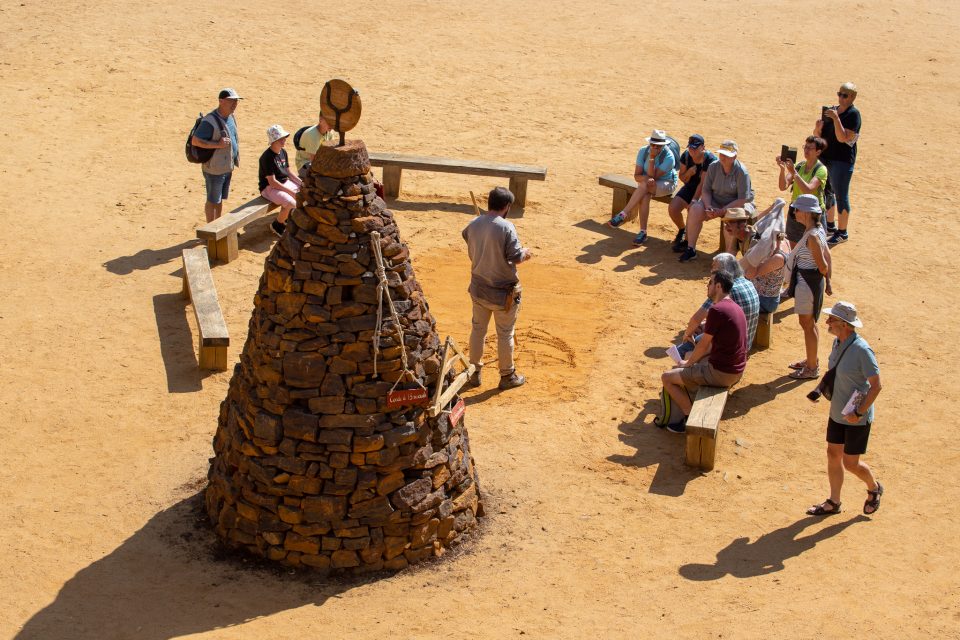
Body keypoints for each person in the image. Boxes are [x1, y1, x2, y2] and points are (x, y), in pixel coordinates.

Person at [806, 301, 883, 516]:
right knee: (833, 454)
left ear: (846, 325)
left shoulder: (863, 351)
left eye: (832, 319)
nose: (828, 322)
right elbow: (834, 372)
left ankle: (874, 488)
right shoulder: (837, 343)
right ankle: (834, 501)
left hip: (856, 417)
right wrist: (819, 390)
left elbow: (876, 385)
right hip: (838, 412)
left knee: (851, 463)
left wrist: (858, 412)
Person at [462, 187, 532, 391]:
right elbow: (516, 257)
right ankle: (507, 375)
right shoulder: (506, 227)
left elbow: (467, 237)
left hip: (478, 288)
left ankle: (473, 372)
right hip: (503, 293)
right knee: (505, 334)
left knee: (478, 329)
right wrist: (526, 253)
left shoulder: (474, 223)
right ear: (507, 206)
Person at [660, 270, 747, 434]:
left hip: (721, 373)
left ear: (719, 286)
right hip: (736, 370)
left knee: (667, 377)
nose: (707, 286)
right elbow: (712, 344)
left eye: (710, 282)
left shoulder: (717, 310)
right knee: (689, 359)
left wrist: (689, 363)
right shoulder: (735, 307)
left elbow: (703, 345)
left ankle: (688, 417)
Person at [681, 140, 756, 262]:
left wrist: (722, 211)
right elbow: (706, 191)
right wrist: (708, 206)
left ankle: (728, 257)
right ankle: (691, 249)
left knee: (732, 219)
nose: (723, 158)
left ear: (734, 157)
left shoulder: (742, 171)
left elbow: (742, 199)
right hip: (715, 201)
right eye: (722, 154)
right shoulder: (713, 166)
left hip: (735, 204)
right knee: (695, 209)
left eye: (727, 155)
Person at [677, 252, 759, 357]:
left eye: (714, 267)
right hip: (745, 345)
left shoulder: (725, 289)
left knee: (684, 348)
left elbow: (696, 318)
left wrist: (687, 335)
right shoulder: (748, 282)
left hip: (729, 349)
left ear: (723, 271)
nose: (711, 270)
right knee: (703, 327)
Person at [785, 194, 831, 380]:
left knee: (807, 325)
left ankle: (812, 368)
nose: (794, 212)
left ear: (805, 212)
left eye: (796, 209)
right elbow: (829, 256)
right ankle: (812, 360)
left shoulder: (812, 236)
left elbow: (823, 264)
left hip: (807, 283)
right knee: (810, 324)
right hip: (812, 284)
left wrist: (825, 275)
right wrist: (828, 282)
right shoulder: (817, 230)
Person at [606, 129, 678, 246]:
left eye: (658, 146)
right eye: (652, 145)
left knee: (645, 186)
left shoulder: (669, 157)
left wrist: (652, 159)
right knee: (645, 193)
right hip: (647, 185)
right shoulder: (643, 151)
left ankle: (623, 214)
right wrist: (645, 178)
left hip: (666, 183)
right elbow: (636, 176)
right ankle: (642, 232)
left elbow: (652, 177)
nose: (655, 148)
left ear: (663, 146)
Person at [815, 82, 862, 245]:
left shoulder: (853, 115)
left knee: (841, 195)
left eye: (845, 95)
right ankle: (830, 226)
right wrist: (817, 129)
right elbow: (820, 138)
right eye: (839, 94)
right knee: (827, 192)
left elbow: (843, 138)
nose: (841, 98)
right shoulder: (832, 111)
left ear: (852, 97)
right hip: (826, 158)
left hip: (842, 161)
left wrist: (835, 119)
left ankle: (843, 232)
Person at [191, 88, 242, 223]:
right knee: (213, 200)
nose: (234, 104)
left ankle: (217, 228)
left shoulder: (231, 117)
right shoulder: (209, 121)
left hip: (226, 167)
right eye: (231, 101)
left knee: (219, 200)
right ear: (221, 101)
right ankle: (210, 230)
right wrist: (218, 145)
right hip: (214, 169)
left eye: (236, 101)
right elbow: (196, 141)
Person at [670, 134, 718, 253]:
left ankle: (688, 242)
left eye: (695, 147)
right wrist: (689, 173)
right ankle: (683, 229)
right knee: (673, 208)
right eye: (690, 147)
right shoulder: (686, 156)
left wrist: (694, 201)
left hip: (708, 190)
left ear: (703, 147)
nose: (692, 150)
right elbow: (682, 177)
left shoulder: (710, 160)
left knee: (693, 211)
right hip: (690, 186)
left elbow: (703, 184)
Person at [777, 135, 828, 245]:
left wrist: (794, 173)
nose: (806, 150)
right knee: (793, 246)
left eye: (810, 148)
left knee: (815, 247)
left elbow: (808, 190)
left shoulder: (821, 169)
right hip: (796, 212)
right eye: (805, 147)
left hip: (813, 215)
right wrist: (782, 170)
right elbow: (783, 186)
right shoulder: (799, 166)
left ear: (818, 152)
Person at [258, 125, 303, 237]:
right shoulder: (267, 157)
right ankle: (277, 225)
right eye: (281, 138)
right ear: (274, 141)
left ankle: (287, 218)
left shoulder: (283, 152)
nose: (284, 140)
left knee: (302, 193)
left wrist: (302, 183)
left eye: (284, 137)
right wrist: (290, 192)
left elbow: (288, 172)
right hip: (269, 188)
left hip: (283, 183)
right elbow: (272, 182)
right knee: (291, 202)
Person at [743, 231, 787, 314]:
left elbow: (749, 275)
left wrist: (754, 252)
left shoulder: (777, 257)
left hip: (765, 301)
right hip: (756, 293)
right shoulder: (781, 243)